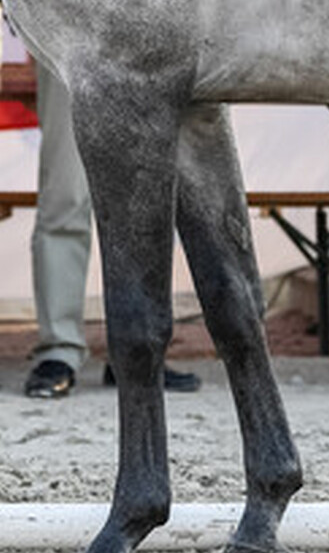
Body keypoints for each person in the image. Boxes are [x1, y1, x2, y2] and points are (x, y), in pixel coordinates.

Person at [23, 55, 201, 399]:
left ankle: (136, 348)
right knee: (64, 198)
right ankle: (59, 350)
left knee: (141, 205)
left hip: (144, 40)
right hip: (66, 39)